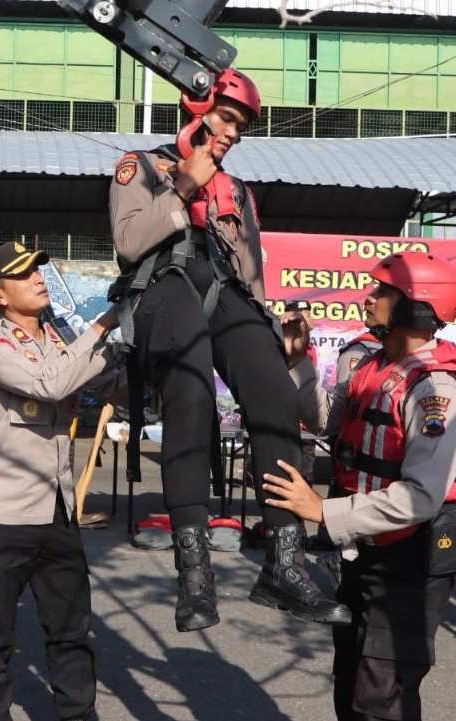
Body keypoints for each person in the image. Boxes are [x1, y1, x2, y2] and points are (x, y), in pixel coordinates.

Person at [108, 67, 347, 628]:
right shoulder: (141, 166)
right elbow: (128, 243)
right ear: (198, 107)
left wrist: (276, 336)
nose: (234, 133)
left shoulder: (239, 192)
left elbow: (253, 274)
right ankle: (195, 578)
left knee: (274, 393)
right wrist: (185, 185)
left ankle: (284, 563)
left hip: (225, 292)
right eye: (228, 119)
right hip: (162, 285)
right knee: (190, 393)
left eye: (241, 126)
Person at [265, 252, 456, 721]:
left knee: (380, 697)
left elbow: (421, 497)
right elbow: (325, 419)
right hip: (366, 550)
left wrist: (323, 512)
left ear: (417, 306)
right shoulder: (372, 365)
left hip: (411, 561)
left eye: (383, 292)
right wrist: (301, 360)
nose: (369, 298)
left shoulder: (437, 391)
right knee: (351, 681)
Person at [0, 241, 118, 721]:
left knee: (72, 631)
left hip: (58, 511)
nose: (37, 277)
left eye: (37, 269)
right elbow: (50, 384)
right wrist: (103, 325)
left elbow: (99, 378)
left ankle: (78, 715)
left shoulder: (55, 338)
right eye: (23, 273)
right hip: (4, 514)